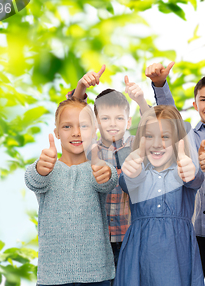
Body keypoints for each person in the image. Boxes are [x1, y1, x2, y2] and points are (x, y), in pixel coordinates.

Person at [67, 65, 174, 270]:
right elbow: (73, 114)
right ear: (96, 122)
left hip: (131, 236)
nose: (112, 124)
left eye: (119, 118)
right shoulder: (89, 149)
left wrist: (141, 101)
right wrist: (81, 87)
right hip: (98, 239)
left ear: (128, 121)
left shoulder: (137, 145)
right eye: (105, 118)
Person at [146, 62, 205, 276]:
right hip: (191, 230)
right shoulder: (186, 135)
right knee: (188, 278)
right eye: (203, 99)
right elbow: (169, 112)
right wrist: (159, 84)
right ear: (195, 105)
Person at [25, 97, 118, 286]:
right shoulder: (47, 169)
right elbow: (33, 180)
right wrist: (39, 169)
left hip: (96, 275)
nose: (76, 133)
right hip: (53, 276)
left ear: (94, 131)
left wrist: (107, 174)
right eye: (67, 127)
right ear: (57, 132)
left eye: (83, 126)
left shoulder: (98, 168)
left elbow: (108, 181)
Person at [115, 105, 205, 286]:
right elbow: (127, 181)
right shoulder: (137, 172)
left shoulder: (184, 171)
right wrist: (131, 171)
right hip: (139, 260)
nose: (157, 143)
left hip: (177, 260)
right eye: (149, 136)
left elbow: (196, 179)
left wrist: (190, 170)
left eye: (165, 136)